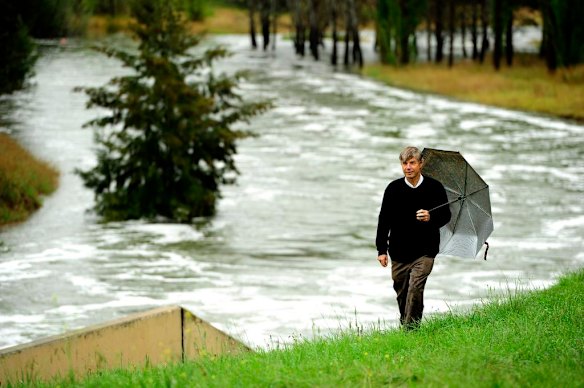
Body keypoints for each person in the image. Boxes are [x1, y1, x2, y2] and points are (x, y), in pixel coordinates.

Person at [376, 146, 451, 330]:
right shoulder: (393, 189)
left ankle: (411, 330)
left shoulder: (435, 187)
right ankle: (407, 322)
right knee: (402, 292)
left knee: (415, 287)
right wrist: (381, 250)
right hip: (399, 251)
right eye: (404, 163)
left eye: (412, 163)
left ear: (421, 164)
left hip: (426, 250)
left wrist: (430, 217)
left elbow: (446, 216)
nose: (408, 167)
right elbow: (384, 219)